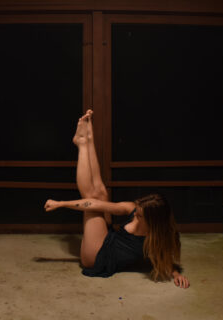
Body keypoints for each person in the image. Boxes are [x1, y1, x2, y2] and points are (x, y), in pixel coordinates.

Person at [44, 110, 190, 288]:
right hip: (108, 238)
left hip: (99, 257)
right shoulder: (134, 209)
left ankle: (82, 145)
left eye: (140, 216)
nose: (135, 214)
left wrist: (175, 274)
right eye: (137, 211)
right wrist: (62, 204)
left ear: (154, 222)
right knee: (101, 193)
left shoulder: (158, 238)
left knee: (92, 199)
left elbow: (165, 259)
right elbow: (100, 203)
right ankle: (88, 141)